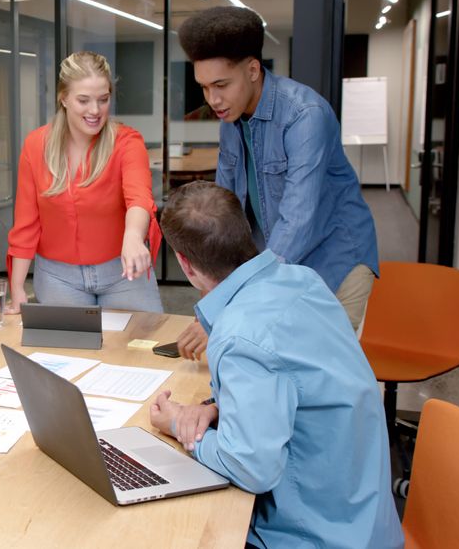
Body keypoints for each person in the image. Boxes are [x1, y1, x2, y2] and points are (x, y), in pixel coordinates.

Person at [149, 181, 402, 548]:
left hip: (318, 536)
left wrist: (179, 426)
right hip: (364, 517)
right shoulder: (303, 280)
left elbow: (252, 469)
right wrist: (218, 409)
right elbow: (297, 384)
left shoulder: (239, 334)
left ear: (186, 265)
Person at [175, 6, 379, 359]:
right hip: (276, 263)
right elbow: (223, 211)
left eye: (221, 85)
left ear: (253, 70)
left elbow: (297, 222)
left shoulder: (305, 116)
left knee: (316, 368)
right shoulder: (231, 120)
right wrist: (214, 291)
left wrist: (228, 302)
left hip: (333, 261)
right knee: (267, 358)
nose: (212, 100)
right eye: (204, 87)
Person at [6, 51, 162, 314]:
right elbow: (26, 223)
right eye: (83, 100)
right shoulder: (36, 145)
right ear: (63, 98)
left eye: (103, 99)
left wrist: (134, 236)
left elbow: (139, 198)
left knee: (145, 338)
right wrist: (18, 287)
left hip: (123, 272)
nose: (95, 111)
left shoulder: (127, 142)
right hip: (58, 278)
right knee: (67, 343)